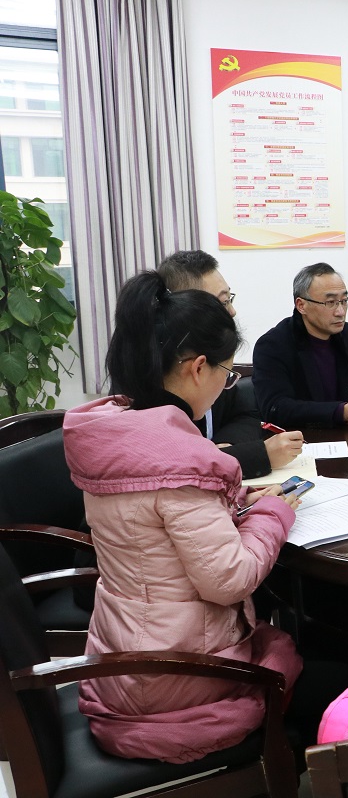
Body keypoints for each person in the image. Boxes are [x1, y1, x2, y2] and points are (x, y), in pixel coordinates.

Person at [61, 271, 303, 764]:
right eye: (227, 374)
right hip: (174, 675)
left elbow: (156, 530)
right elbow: (229, 579)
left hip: (121, 654)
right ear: (197, 368)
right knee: (314, 666)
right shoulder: (177, 461)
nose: (226, 385)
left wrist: (235, 503)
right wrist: (274, 512)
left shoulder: (118, 438)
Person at [157, 249, 304, 478]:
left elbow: (247, 413)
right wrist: (252, 455)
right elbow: (173, 465)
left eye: (230, 299)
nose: (232, 312)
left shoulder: (212, 356)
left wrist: (227, 446)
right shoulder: (148, 375)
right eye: (222, 302)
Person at [254, 262, 348, 427]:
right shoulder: (273, 345)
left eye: (344, 301)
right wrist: (341, 411)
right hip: (303, 439)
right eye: (330, 302)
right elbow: (276, 408)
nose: (340, 311)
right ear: (301, 305)